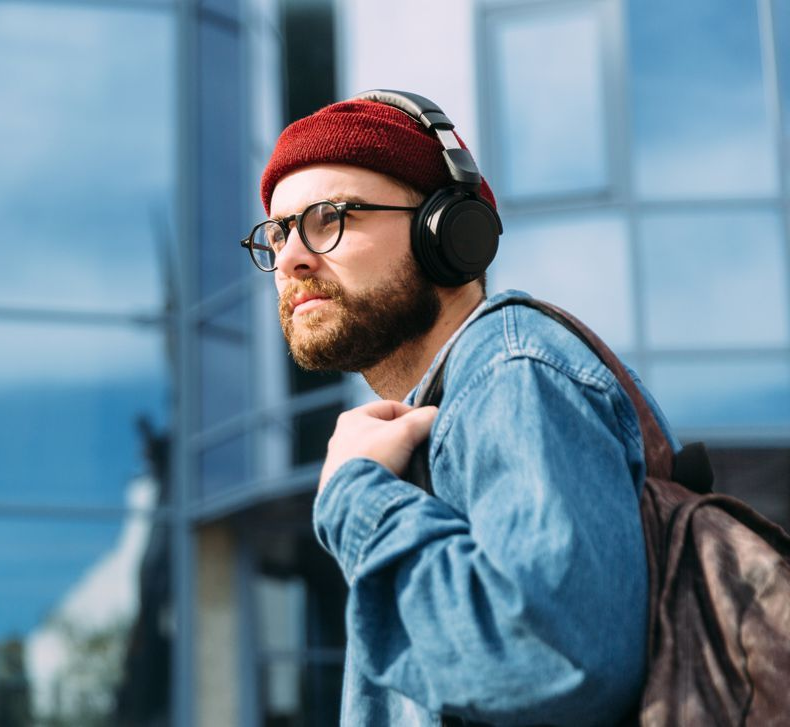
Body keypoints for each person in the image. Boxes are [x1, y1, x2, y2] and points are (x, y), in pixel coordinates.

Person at [241, 91, 678, 726]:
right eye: (278, 233)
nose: (290, 259)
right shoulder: (447, 417)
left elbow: (549, 658)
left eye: (330, 217)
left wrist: (355, 498)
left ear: (448, 234)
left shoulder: (511, 371)